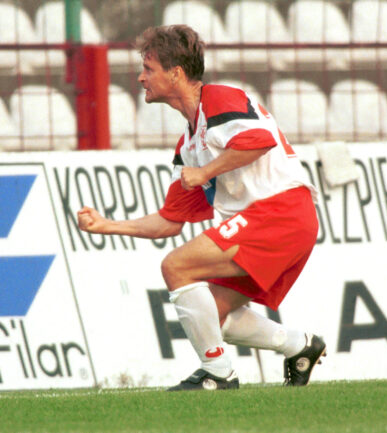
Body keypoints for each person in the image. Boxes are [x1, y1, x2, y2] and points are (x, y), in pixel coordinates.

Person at [77, 24, 325, 391]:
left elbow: (260, 140)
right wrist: (107, 225)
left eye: (148, 69)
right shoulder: (188, 144)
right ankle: (301, 347)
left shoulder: (219, 99)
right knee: (212, 316)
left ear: (176, 74)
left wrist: (206, 172)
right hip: (277, 221)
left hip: (282, 212)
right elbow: (170, 221)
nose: (141, 78)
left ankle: (218, 374)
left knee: (175, 266)